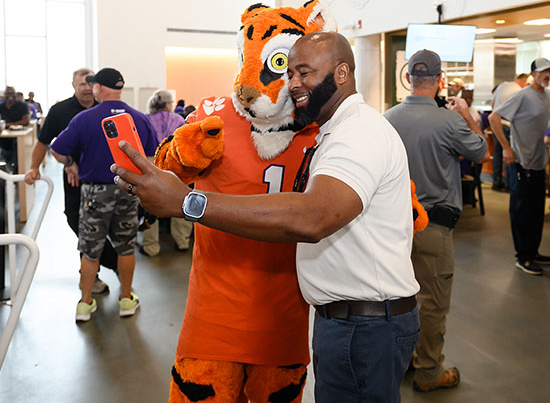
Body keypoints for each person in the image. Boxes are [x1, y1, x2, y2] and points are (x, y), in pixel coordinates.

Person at [112, 32, 421, 402]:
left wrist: (187, 203)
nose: (293, 84)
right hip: (344, 322)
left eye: (304, 72)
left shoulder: (357, 133)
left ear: (342, 73)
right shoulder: (332, 131)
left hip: (365, 325)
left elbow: (314, 217)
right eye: (288, 72)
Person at [384, 49, 489, 393]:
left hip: (393, 228)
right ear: (440, 80)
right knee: (432, 302)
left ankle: (404, 360)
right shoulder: (449, 120)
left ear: (409, 78)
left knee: (399, 299)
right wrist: (467, 115)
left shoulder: (388, 118)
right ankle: (429, 371)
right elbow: (480, 152)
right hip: (433, 226)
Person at [51, 67, 157, 322]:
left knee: (90, 250)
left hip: (94, 193)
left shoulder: (84, 119)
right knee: (126, 248)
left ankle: (85, 304)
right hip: (128, 188)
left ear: (98, 88)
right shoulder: (140, 118)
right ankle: (126, 299)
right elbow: (152, 158)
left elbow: (56, 149)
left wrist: (70, 165)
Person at [24, 68, 118, 294]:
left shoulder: (104, 108)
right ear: (73, 86)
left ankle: (93, 275)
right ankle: (115, 263)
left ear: (97, 86)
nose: (86, 88)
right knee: (76, 219)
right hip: (75, 178)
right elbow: (44, 142)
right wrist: (35, 168)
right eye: (81, 84)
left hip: (107, 178)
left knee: (106, 226)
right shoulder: (60, 110)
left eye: (90, 83)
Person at [489, 58, 550, 275]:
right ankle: (522, 257)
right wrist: (506, 148)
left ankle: (533, 252)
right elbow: (494, 118)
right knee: (521, 211)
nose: (547, 75)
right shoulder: (522, 96)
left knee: (536, 212)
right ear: (533, 74)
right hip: (521, 163)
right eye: (543, 72)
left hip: (538, 163)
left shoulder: (547, 95)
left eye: (549, 71)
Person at [141, 89, 191, 256]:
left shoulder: (145, 120)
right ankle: (182, 240)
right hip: (176, 168)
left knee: (151, 204)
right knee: (182, 202)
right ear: (169, 104)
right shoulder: (179, 120)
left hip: (151, 168)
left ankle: (151, 246)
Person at [491, 73, 529, 191]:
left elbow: (492, 104)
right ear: (523, 82)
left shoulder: (502, 85)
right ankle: (508, 185)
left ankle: (496, 182)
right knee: (508, 153)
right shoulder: (519, 90)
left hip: (496, 124)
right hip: (507, 124)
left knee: (497, 154)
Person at [0, 86, 30, 168]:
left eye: (12, 93)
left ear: (15, 94)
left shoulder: (22, 105)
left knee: (15, 146)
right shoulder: (1, 106)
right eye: (8, 93)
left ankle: (16, 169)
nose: (10, 96)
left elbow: (26, 121)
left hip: (18, 137)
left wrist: (10, 125)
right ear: (4, 95)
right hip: (4, 136)